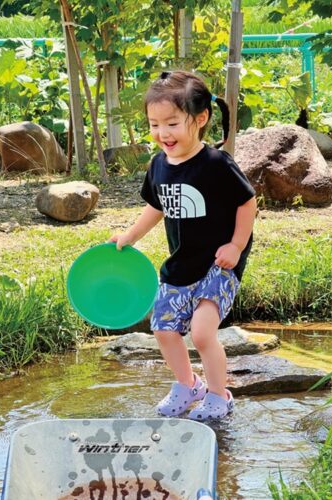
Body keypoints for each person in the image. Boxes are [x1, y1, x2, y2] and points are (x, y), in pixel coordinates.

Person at [110, 70, 257, 421]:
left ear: (201, 118)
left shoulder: (216, 164)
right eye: (154, 125)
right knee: (162, 329)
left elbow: (247, 202)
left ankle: (220, 396)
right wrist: (130, 235)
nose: (163, 134)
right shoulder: (159, 165)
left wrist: (236, 246)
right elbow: (156, 206)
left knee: (203, 333)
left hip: (217, 265)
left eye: (172, 124)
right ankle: (189, 385)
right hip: (181, 266)